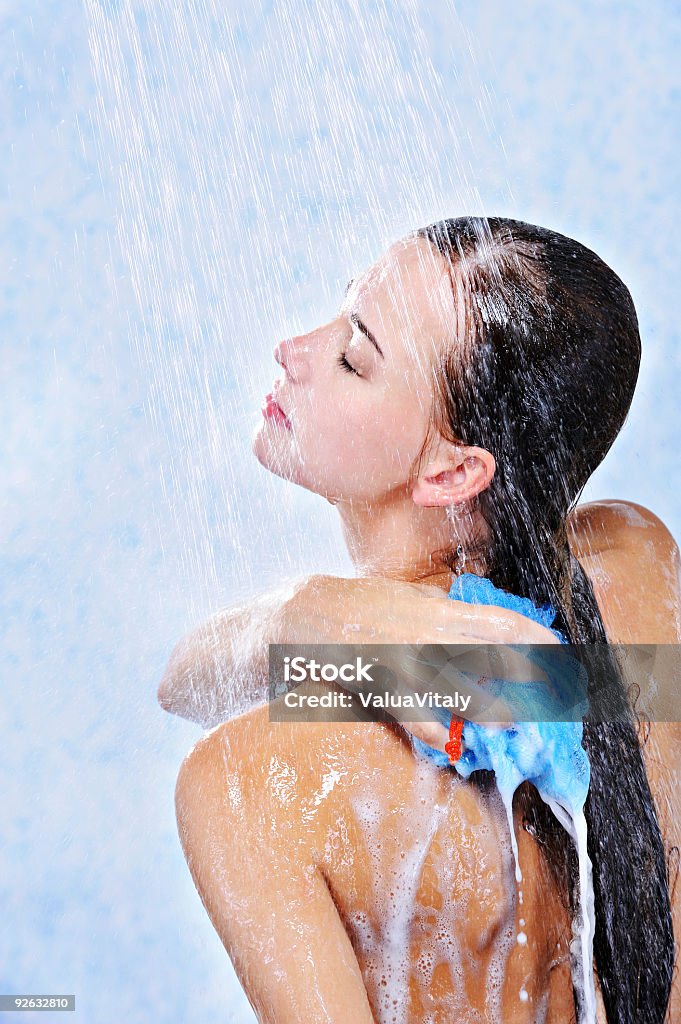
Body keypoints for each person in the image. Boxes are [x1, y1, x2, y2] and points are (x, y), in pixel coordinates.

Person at [163, 218, 680, 1022]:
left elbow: (188, 687)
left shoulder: (256, 784)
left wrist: (307, 618)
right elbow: (189, 680)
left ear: (454, 471)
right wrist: (310, 612)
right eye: (339, 313)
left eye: (352, 357)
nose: (292, 348)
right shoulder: (637, 573)